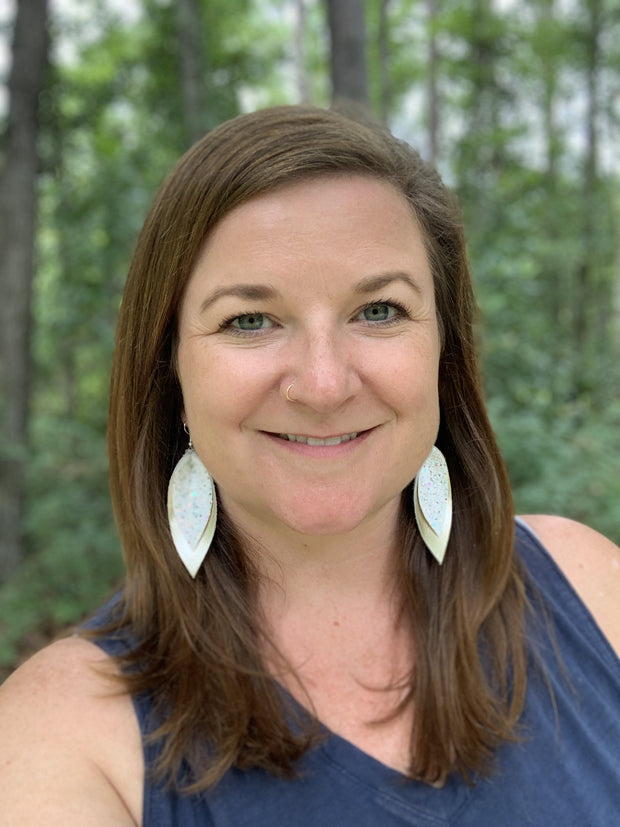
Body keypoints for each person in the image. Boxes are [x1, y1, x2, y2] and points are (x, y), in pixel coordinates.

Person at [0, 105, 618, 826]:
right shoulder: (64, 736)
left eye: (379, 310)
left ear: (444, 353)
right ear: (171, 375)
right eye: (250, 320)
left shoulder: (591, 587)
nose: (324, 385)